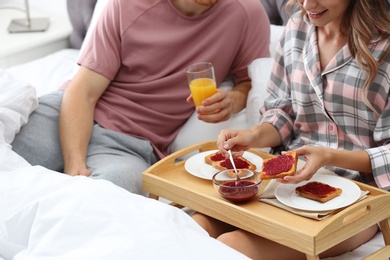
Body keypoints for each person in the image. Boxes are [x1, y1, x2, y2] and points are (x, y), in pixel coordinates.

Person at [192, 0, 390, 258]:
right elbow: (283, 111)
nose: (308, 4)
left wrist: (329, 157)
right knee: (193, 228)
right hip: (284, 183)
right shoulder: (297, 26)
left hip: (360, 197)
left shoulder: (385, 46)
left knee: (231, 247)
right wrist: (254, 135)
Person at [11, 0, 270, 194]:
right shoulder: (126, 4)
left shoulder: (246, 13)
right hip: (68, 115)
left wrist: (233, 99)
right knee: (8, 154)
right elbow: (84, 91)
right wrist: (74, 166)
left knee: (103, 202)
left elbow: (247, 81)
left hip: (131, 146)